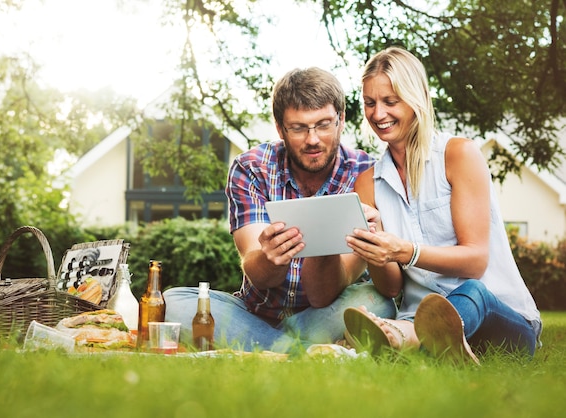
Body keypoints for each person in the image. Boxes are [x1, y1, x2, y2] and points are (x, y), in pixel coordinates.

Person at [164, 67, 396, 352]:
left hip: (326, 313)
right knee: (174, 302)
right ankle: (303, 352)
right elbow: (256, 271)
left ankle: (265, 350)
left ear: (341, 120)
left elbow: (331, 291)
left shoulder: (366, 172)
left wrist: (324, 245)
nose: (312, 139)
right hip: (252, 313)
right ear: (279, 128)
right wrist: (271, 257)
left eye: (323, 124)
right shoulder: (251, 167)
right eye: (298, 128)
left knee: (379, 302)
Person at [343, 47, 542, 363]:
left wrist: (404, 250)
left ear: (416, 97)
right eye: (370, 103)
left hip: (499, 319)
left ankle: (403, 340)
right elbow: (391, 288)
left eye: (390, 102)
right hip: (417, 315)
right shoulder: (367, 183)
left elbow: (474, 260)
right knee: (428, 312)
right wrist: (376, 248)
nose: (378, 114)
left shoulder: (458, 155)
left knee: (473, 292)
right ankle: (430, 347)